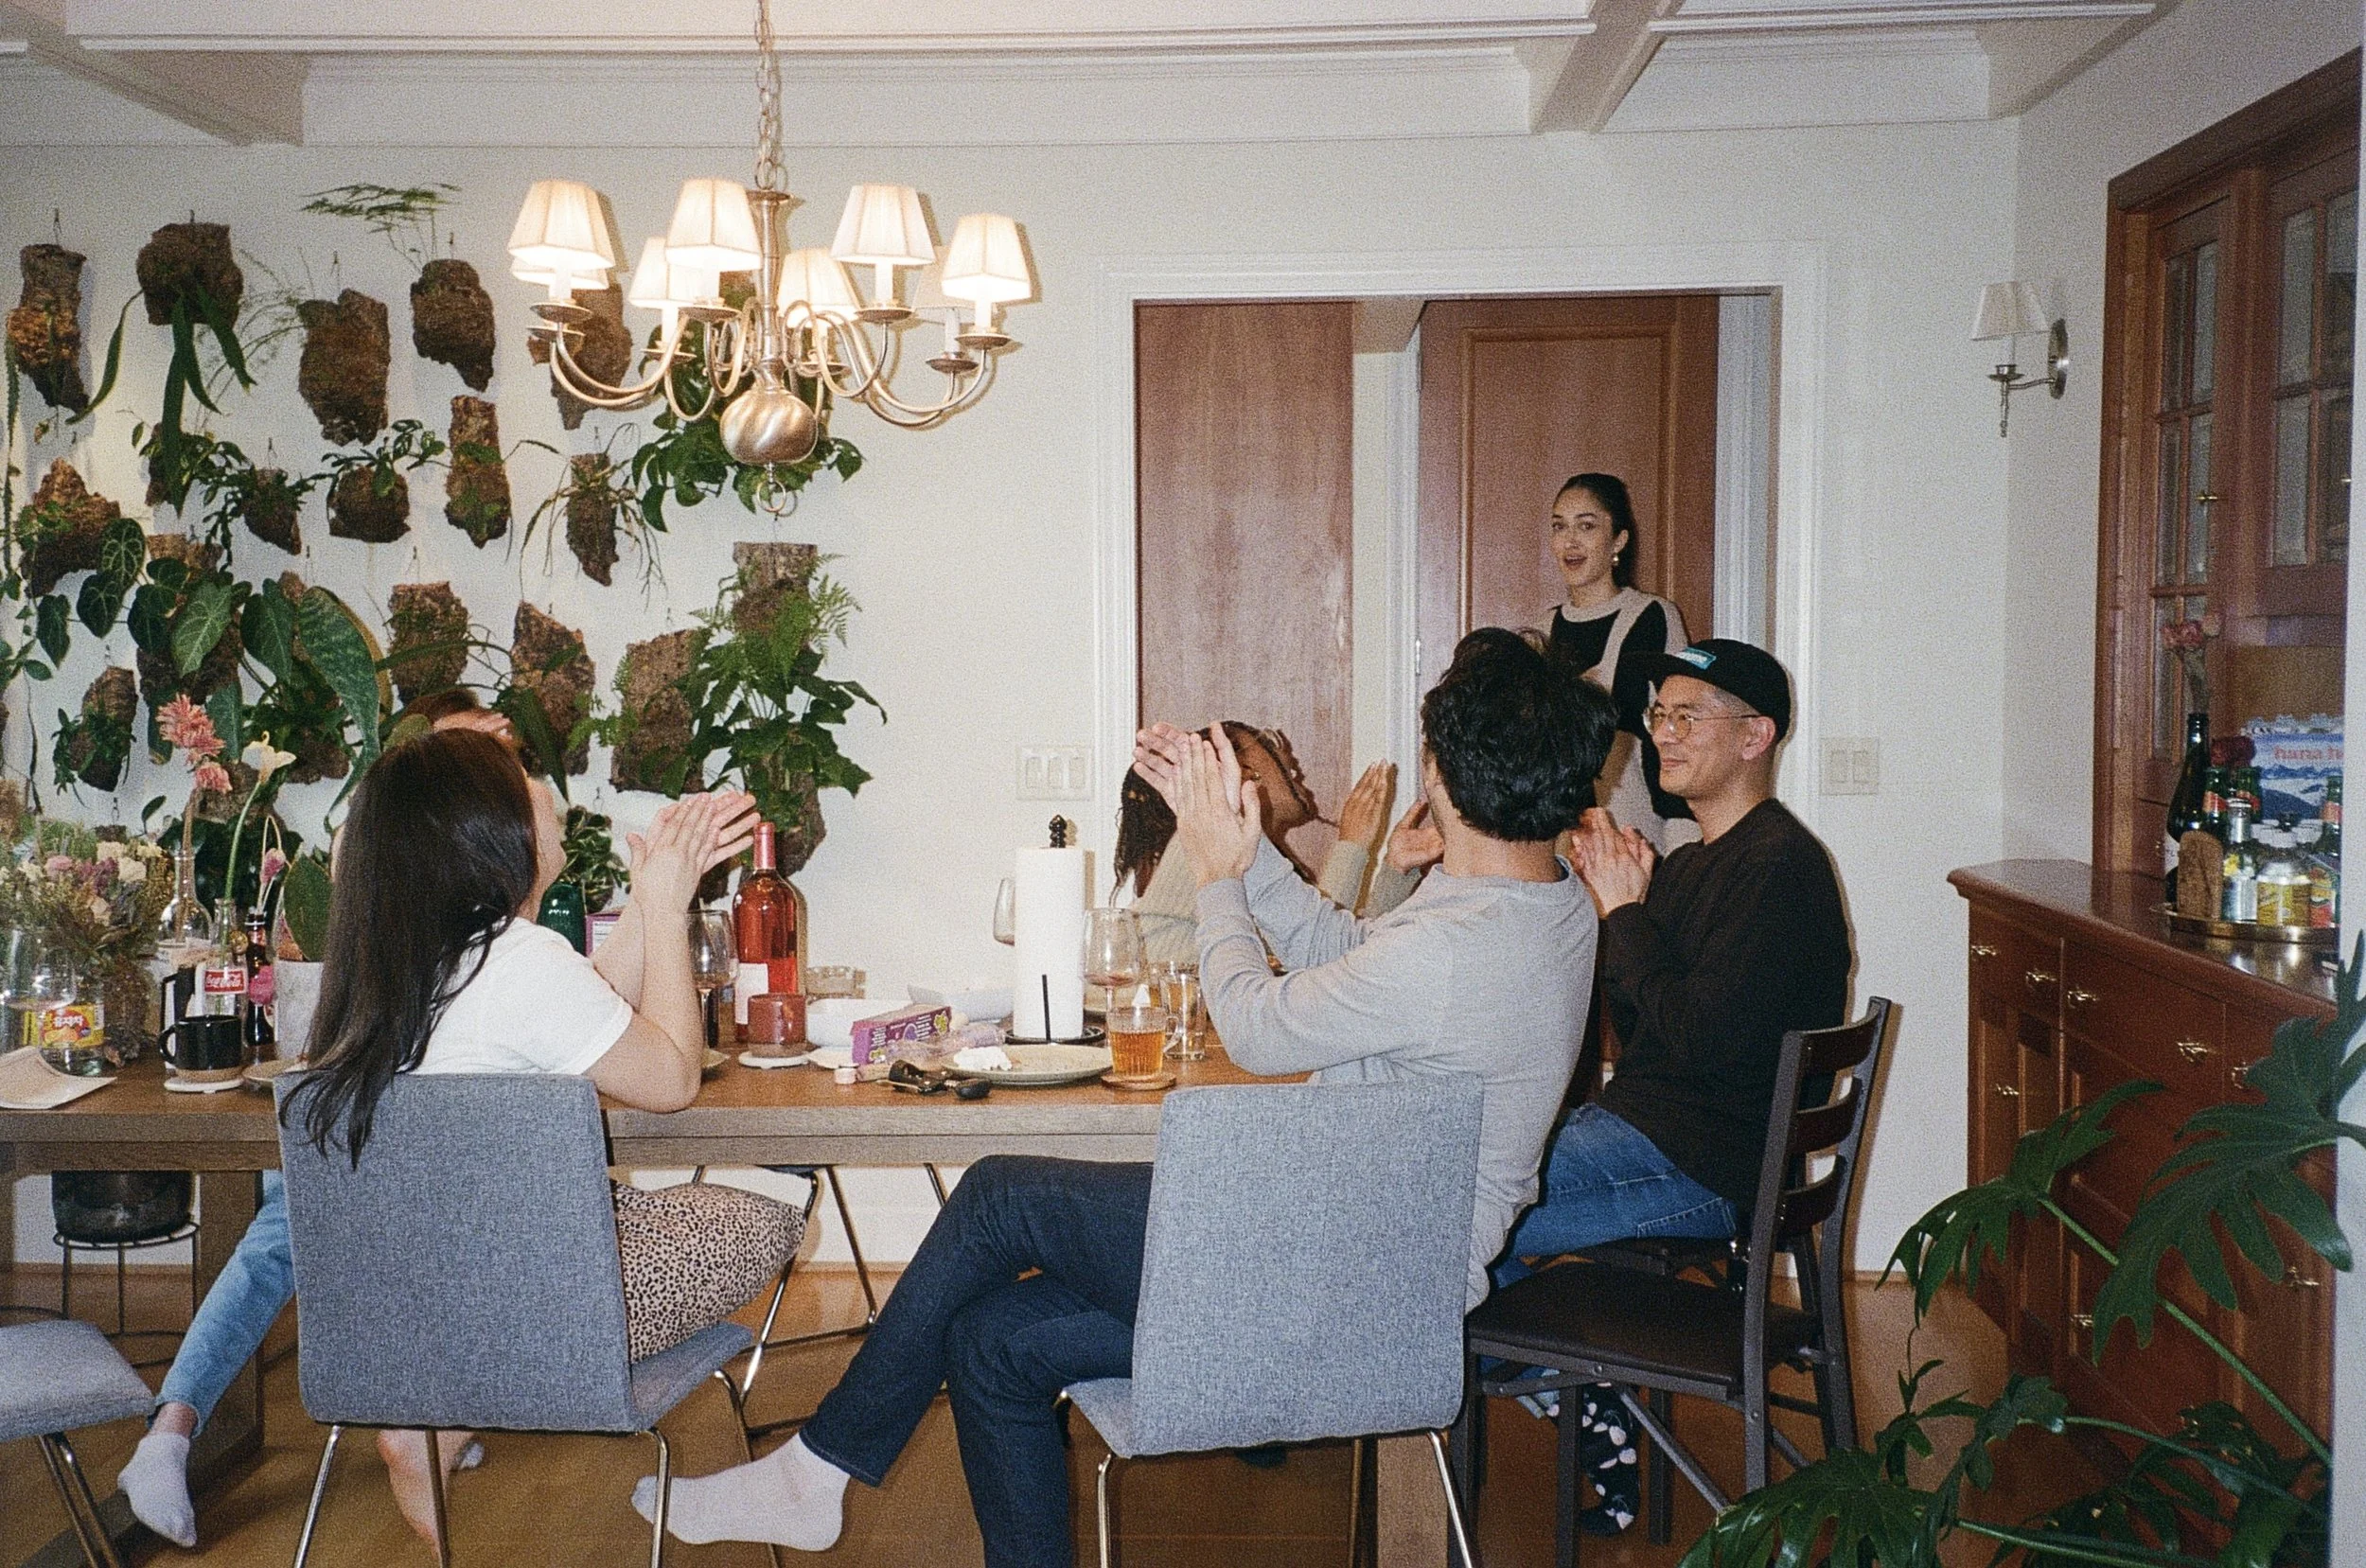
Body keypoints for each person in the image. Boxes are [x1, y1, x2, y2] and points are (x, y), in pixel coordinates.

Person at [633, 628, 1615, 1566]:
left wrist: (1220, 877)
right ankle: (817, 1478)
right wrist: (1245, 850)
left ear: (1440, 775)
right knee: (992, 1343)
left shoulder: (1458, 948)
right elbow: (1342, 947)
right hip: (1357, 1266)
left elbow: (1257, 1027)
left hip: (1333, 1284)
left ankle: (814, 1470)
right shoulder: (1542, 903)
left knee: (1000, 1193)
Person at [122, 727, 800, 1552]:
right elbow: (671, 1078)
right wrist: (663, 905)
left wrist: (645, 892)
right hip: (532, 1310)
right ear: (489, 832)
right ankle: (449, 1417)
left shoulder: (402, 969)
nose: (543, 795)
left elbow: (582, 1006)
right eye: (523, 783)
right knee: (770, 1217)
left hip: (402, 1313)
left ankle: (435, 1417)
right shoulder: (520, 963)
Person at [119, 691, 518, 1549]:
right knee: (289, 1221)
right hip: (358, 1107)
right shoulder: (371, 858)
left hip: (427, 1133)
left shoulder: (488, 880)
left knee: (306, 1220)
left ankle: (184, 1426)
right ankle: (174, 1428)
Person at [1493, 638, 1851, 1534]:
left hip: (1701, 1165)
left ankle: (1562, 1386)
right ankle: (1572, 1388)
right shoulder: (1694, 862)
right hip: (1652, 1134)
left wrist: (1627, 913)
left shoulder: (1779, 869)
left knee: (1440, 1209)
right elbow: (1646, 1034)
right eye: (1659, 714)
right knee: (1451, 1198)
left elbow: (1697, 1040)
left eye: (1688, 715)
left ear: (1756, 735)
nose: (1663, 733)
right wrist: (1620, 908)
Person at [1114, 721, 1404, 965]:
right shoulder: (1207, 841)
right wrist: (1352, 845)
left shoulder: (1252, 855)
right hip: (1169, 1013)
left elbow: (1350, 949)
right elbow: (1319, 959)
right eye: (1267, 742)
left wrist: (1396, 869)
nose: (1288, 755)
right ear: (1239, 769)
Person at [1541, 473, 1697, 853]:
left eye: (1587, 526)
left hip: (1637, 838)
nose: (1570, 541)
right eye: (1560, 527)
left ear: (1618, 540)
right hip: (1559, 846)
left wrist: (1683, 849)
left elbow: (1679, 732)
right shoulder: (1543, 630)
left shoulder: (1652, 617)